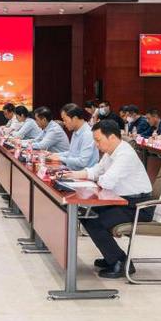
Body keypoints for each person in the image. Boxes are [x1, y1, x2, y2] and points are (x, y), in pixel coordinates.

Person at [61, 119, 154, 279]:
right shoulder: (111, 152)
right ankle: (112, 256)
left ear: (112, 137)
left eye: (98, 140)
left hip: (139, 206)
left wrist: (97, 179)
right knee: (85, 213)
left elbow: (106, 182)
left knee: (94, 220)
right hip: (121, 201)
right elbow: (96, 171)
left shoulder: (125, 154)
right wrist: (73, 175)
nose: (96, 144)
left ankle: (120, 262)